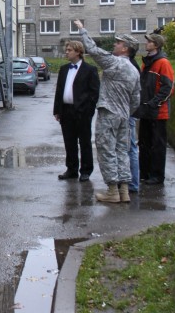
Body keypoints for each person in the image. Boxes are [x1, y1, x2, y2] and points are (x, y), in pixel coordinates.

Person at [73, 22, 140, 204]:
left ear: (126, 48)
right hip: (124, 116)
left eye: (118, 43)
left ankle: (112, 190)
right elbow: (136, 99)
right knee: (122, 152)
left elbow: (93, 50)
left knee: (106, 151)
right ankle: (124, 190)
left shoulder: (115, 63)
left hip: (109, 113)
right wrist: (126, 111)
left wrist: (82, 29)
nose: (114, 45)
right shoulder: (134, 70)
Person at [53, 39, 100, 181]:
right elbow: (59, 91)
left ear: (78, 52)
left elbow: (94, 92)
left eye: (69, 50)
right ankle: (71, 169)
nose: (66, 52)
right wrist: (57, 110)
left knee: (84, 142)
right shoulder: (63, 69)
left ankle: (85, 170)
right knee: (69, 141)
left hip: (82, 111)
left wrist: (88, 109)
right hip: (66, 111)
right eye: (66, 50)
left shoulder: (90, 70)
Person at [139, 32, 175, 185]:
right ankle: (145, 173)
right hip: (146, 110)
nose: (146, 43)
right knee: (144, 142)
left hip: (158, 112)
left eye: (149, 41)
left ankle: (157, 175)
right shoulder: (146, 63)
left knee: (158, 145)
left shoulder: (163, 63)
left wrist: (154, 103)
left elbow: (168, 88)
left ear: (156, 45)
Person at [126, 43, 141, 194]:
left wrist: (128, 112)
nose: (114, 45)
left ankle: (132, 184)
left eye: (118, 43)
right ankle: (129, 182)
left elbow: (135, 95)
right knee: (128, 148)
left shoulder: (131, 66)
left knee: (130, 148)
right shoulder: (132, 65)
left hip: (128, 114)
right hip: (128, 113)